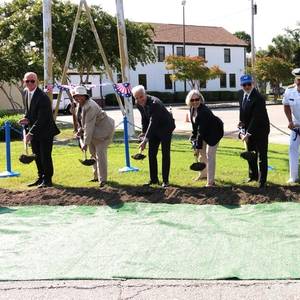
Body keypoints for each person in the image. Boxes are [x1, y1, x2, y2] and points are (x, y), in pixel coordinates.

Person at [19, 72, 60, 188]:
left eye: (32, 81)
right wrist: (26, 118)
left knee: (45, 156)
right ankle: (40, 177)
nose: (30, 83)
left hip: (46, 131)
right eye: (27, 81)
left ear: (37, 82)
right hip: (35, 130)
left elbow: (42, 119)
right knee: (36, 155)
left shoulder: (43, 97)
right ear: (24, 81)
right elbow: (30, 111)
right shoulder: (26, 92)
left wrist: (30, 133)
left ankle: (48, 180)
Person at [132, 85, 175, 188]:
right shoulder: (138, 104)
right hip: (154, 130)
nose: (139, 99)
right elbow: (144, 118)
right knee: (152, 154)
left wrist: (146, 139)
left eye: (141, 96)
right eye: (136, 98)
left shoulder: (155, 103)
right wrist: (143, 132)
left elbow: (153, 122)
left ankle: (165, 181)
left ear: (145, 94)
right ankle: (154, 179)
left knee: (165, 154)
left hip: (166, 128)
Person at [73, 86, 115, 188]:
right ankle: (96, 176)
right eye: (76, 96)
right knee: (93, 155)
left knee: (100, 156)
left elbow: (89, 125)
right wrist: (80, 130)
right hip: (93, 132)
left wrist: (85, 143)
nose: (78, 98)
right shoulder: (79, 105)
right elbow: (82, 121)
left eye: (80, 96)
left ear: (85, 96)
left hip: (103, 132)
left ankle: (103, 180)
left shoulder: (90, 106)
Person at [186, 89, 223, 187]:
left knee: (209, 155)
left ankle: (210, 182)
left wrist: (197, 147)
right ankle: (203, 175)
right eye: (192, 100)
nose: (195, 102)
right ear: (189, 101)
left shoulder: (204, 112)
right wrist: (193, 137)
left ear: (200, 99)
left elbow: (201, 131)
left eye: (197, 99)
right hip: (204, 133)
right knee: (202, 155)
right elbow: (195, 126)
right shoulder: (192, 109)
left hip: (214, 134)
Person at [238, 74, 270, 188]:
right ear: (241, 85)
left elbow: (256, 118)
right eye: (244, 85)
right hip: (248, 129)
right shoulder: (241, 94)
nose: (247, 87)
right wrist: (241, 126)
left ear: (253, 84)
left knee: (262, 155)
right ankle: (253, 176)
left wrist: (248, 133)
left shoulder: (258, 98)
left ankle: (262, 181)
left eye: (249, 84)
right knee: (251, 154)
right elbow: (242, 112)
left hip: (261, 130)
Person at [282, 68, 300, 183]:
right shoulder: (289, 91)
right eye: (298, 80)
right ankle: (293, 177)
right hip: (295, 125)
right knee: (292, 149)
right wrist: (289, 121)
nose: (299, 82)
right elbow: (286, 105)